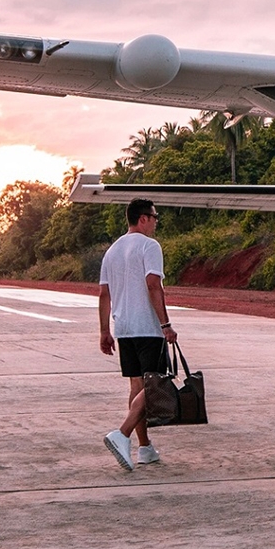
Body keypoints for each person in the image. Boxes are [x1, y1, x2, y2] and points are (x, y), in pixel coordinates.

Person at [99, 199, 178, 471]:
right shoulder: (149, 246)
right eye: (155, 216)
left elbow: (104, 294)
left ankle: (145, 448)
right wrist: (165, 324)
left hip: (123, 329)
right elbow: (154, 285)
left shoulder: (112, 251)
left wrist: (104, 331)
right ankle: (122, 434)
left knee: (137, 387)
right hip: (147, 327)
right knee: (156, 384)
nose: (156, 221)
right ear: (143, 218)